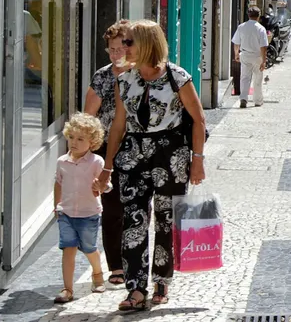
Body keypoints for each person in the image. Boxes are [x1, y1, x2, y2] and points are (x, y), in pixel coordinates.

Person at [99, 20, 206, 312]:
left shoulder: (177, 77)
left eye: (129, 42)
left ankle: (161, 281)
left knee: (165, 219)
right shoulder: (125, 79)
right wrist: (107, 166)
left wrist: (198, 161)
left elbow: (198, 120)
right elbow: (118, 126)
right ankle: (135, 289)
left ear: (147, 43)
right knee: (132, 221)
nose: (124, 48)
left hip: (171, 154)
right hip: (133, 155)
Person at [82, 20, 132, 286]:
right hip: (106, 147)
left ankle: (134, 258)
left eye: (119, 48)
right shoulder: (102, 76)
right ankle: (116, 266)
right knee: (112, 207)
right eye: (111, 49)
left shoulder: (140, 74)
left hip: (135, 145)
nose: (115, 54)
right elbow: (89, 114)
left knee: (134, 205)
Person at [53, 113, 111, 303]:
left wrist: (100, 186)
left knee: (88, 248)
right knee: (68, 248)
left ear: (92, 142)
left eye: (80, 139)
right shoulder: (62, 161)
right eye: (71, 137)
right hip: (66, 212)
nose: (74, 142)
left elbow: (106, 185)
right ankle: (67, 289)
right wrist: (57, 206)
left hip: (89, 213)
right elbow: (58, 183)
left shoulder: (97, 162)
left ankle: (97, 273)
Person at [232, 6, 269, 108]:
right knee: (258, 78)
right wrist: (264, 61)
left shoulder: (241, 27)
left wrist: (236, 54)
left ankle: (243, 98)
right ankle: (257, 101)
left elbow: (236, 43)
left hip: (245, 55)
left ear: (248, 15)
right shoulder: (261, 28)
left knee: (244, 78)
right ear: (259, 16)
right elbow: (263, 46)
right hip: (257, 56)